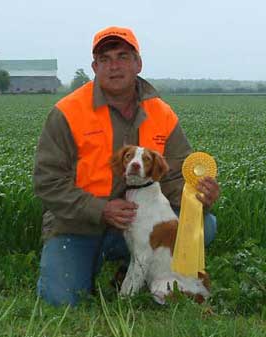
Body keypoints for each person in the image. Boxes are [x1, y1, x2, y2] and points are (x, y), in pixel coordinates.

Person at [33, 26, 220, 307]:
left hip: (138, 221)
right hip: (79, 222)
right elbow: (48, 181)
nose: (114, 66)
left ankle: (131, 268)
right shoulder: (67, 113)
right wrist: (101, 209)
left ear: (138, 63)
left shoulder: (162, 113)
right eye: (105, 59)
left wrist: (200, 196)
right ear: (95, 66)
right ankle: (105, 262)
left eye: (123, 56)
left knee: (203, 225)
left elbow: (175, 178)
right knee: (60, 300)